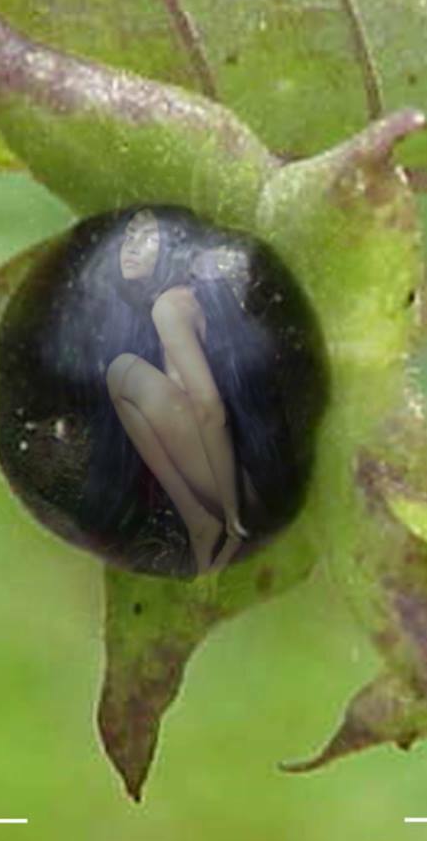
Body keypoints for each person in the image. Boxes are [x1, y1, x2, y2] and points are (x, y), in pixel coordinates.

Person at [75, 206, 281, 576]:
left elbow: (210, 408)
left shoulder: (171, 309)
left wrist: (234, 509)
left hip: (228, 470)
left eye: (143, 239)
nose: (131, 250)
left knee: (125, 374)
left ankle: (208, 519)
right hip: (229, 478)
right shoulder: (170, 303)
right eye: (132, 237)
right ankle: (205, 518)